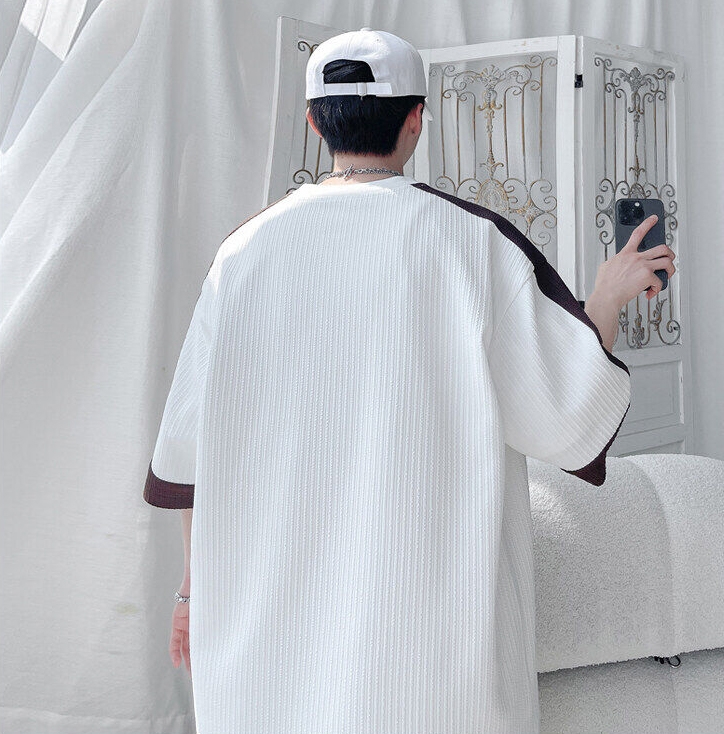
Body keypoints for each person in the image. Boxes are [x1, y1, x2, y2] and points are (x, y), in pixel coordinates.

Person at [143, 27, 676, 734]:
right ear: (417, 119)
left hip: (271, 643)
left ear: (314, 124)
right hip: (428, 649)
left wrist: (190, 593)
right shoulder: (472, 243)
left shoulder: (241, 255)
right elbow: (566, 407)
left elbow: (189, 458)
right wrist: (606, 296)